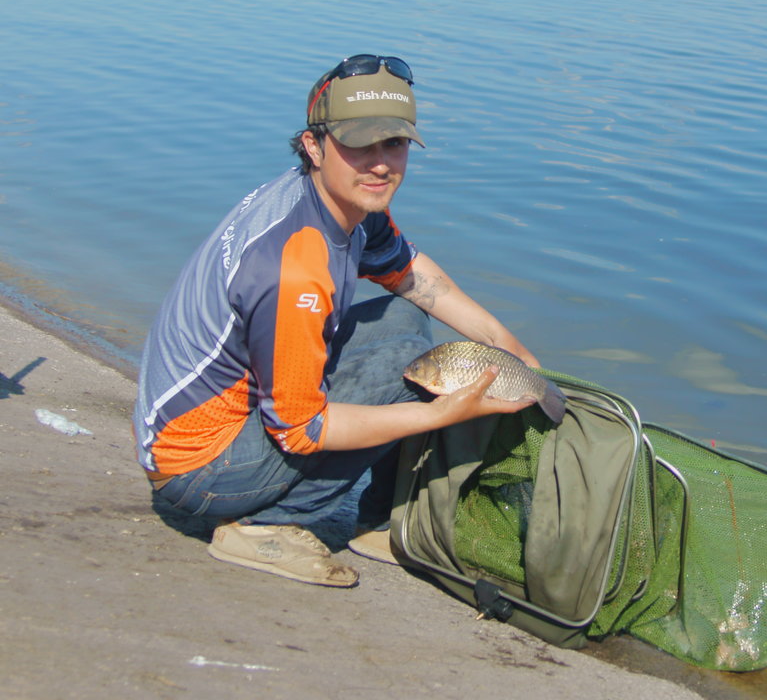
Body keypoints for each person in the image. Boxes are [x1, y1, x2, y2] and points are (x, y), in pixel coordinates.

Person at [133, 53, 539, 588]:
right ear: (314, 145)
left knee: (402, 317)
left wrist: (509, 347)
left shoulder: (343, 204)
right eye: (358, 144)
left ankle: (378, 521)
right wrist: (441, 415)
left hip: (226, 418)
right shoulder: (296, 266)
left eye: (393, 144)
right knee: (412, 373)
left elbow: (414, 277)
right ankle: (264, 526)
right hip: (199, 467)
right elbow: (302, 431)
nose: (379, 164)